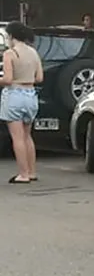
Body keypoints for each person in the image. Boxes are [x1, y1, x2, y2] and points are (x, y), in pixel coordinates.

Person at [0, 22, 42, 184]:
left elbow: (8, 79)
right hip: (31, 95)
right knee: (27, 136)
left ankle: (23, 174)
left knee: (17, 138)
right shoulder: (33, 52)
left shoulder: (10, 54)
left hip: (14, 95)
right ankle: (32, 172)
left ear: (11, 36)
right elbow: (39, 78)